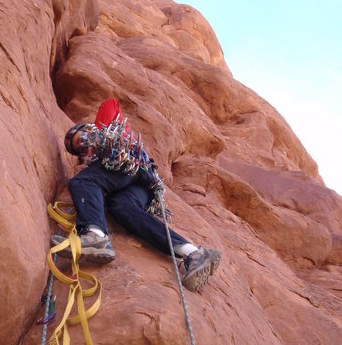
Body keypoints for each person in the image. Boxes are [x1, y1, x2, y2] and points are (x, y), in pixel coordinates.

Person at [52, 98, 221, 291]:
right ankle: (193, 253)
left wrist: (99, 132)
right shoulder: (98, 164)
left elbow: (111, 102)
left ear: (89, 129)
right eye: (79, 149)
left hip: (125, 163)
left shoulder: (105, 131)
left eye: (81, 139)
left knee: (83, 181)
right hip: (142, 183)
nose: (83, 145)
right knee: (121, 208)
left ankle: (95, 235)